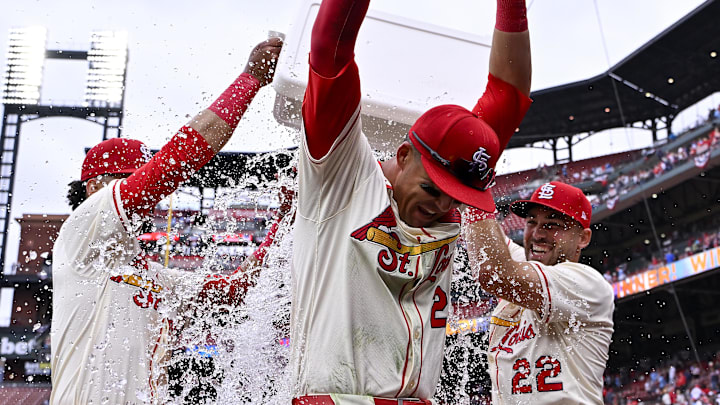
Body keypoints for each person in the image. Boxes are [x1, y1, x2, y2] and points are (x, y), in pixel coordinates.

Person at [291, 0, 532, 403]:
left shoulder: (458, 174)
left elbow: (509, 90)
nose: (441, 205)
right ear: (403, 157)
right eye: (432, 188)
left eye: (454, 197)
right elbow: (330, 50)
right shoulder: (340, 175)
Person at [50, 38, 283, 404]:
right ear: (95, 185)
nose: (145, 196)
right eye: (128, 179)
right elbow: (175, 161)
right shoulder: (84, 228)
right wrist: (250, 80)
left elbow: (235, 292)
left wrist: (284, 219)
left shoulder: (148, 274)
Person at [462, 181, 615, 404]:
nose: (537, 234)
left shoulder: (586, 283)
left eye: (552, 225)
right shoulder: (525, 267)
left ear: (583, 238)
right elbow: (481, 234)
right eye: (532, 222)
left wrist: (475, 188)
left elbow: (494, 272)